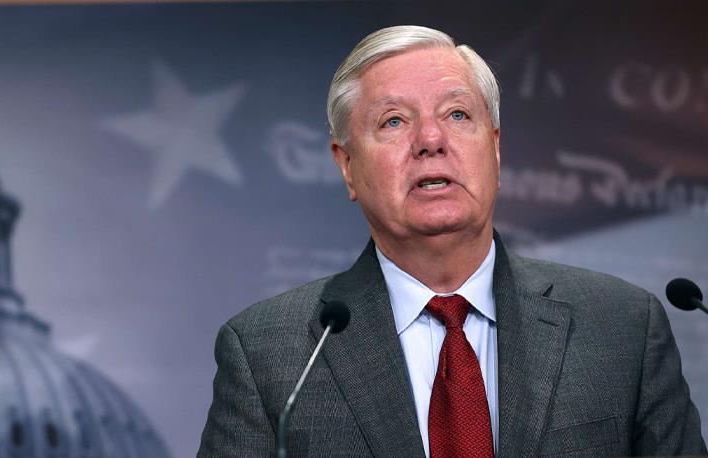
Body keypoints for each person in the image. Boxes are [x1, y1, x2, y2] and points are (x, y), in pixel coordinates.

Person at [198, 25, 706, 457]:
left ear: (496, 149)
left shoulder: (622, 327)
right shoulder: (270, 356)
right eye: (394, 121)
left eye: (457, 115)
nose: (431, 140)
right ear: (346, 165)